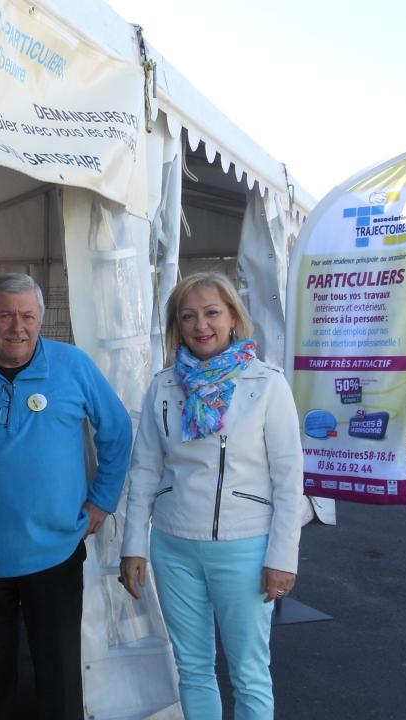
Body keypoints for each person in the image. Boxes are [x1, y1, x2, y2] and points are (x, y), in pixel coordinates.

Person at [0, 272, 133, 720]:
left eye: (28, 316)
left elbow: (117, 430)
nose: (17, 327)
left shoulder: (72, 366)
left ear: (40, 320)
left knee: (57, 678)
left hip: (55, 552)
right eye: (6, 315)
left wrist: (102, 499)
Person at [119, 272, 305, 720]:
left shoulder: (267, 384)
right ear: (177, 325)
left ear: (233, 318)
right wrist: (133, 546)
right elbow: (144, 470)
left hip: (244, 549)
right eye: (188, 316)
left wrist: (283, 556)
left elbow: (288, 478)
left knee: (249, 672)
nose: (201, 325)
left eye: (211, 312)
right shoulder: (164, 385)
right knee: (193, 669)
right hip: (173, 545)